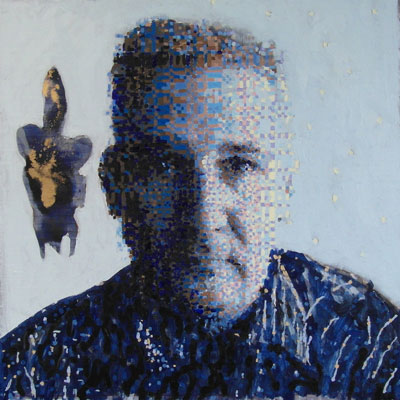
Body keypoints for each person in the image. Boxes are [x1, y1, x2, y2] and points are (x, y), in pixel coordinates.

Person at [1, 19, 399, 400]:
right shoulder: (34, 371)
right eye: (164, 167)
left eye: (239, 165)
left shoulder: (371, 345)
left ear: (283, 185)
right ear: (116, 187)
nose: (205, 217)